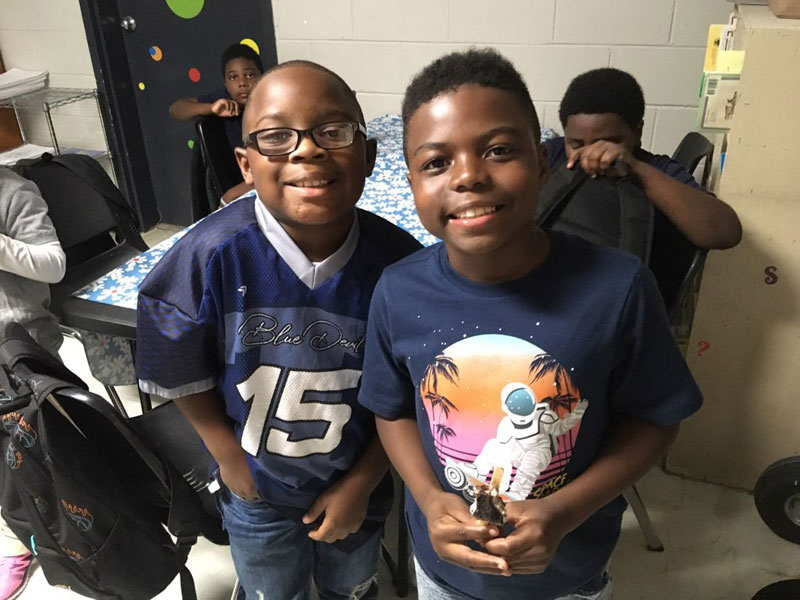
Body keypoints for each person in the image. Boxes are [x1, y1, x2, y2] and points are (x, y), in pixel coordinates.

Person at [358, 49, 703, 600]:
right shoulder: (398, 290)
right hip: (443, 575)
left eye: (498, 150)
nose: (468, 176)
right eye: (436, 162)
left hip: (567, 578)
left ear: (544, 165)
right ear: (413, 183)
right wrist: (426, 495)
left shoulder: (618, 287)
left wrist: (563, 512)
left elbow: (656, 420)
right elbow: (392, 408)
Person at [136, 60, 421, 600]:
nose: (307, 149)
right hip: (255, 487)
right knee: (270, 590)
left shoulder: (401, 267)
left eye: (332, 132)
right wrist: (225, 454)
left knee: (352, 587)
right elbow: (172, 360)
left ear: (368, 155)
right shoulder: (208, 255)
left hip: (357, 482)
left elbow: (410, 395)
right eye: (275, 137)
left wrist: (362, 482)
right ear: (245, 164)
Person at [543, 67, 742, 252]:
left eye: (608, 143)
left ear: (637, 132)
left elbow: (726, 233)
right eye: (577, 145)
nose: (592, 154)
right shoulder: (554, 154)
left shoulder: (655, 169)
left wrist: (637, 171)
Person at [0, 167, 67, 600]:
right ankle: (15, 537)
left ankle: (69, 529)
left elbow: (54, 265)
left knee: (45, 449)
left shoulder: (13, 190)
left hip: (22, 347)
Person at [169, 43, 264, 205]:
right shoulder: (224, 100)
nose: (242, 83)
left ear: (262, 77)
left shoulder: (272, 102)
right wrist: (210, 108)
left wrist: (232, 194)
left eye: (249, 75)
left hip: (266, 179)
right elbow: (176, 109)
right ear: (226, 84)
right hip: (249, 183)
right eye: (233, 77)